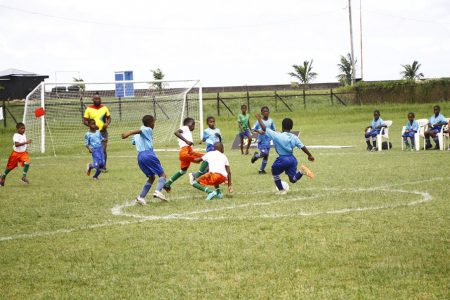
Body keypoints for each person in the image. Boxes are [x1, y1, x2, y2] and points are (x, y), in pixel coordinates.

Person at [255, 114, 315, 195]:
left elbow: (264, 128)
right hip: (292, 159)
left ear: (282, 126)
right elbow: (302, 146)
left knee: (274, 171)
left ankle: (281, 190)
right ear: (291, 127)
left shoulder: (277, 135)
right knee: (292, 180)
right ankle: (301, 171)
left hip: (283, 159)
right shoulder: (294, 137)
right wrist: (309, 155)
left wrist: (259, 119)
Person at [121, 115, 167, 205]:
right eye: (153, 123)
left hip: (140, 157)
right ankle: (158, 191)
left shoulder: (137, 136)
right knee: (162, 175)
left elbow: (134, 142)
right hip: (148, 154)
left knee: (151, 177)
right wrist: (129, 132)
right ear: (150, 123)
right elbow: (140, 131)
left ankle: (141, 197)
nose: (154, 125)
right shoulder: (147, 129)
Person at [163, 117, 207, 192]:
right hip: (185, 152)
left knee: (183, 171)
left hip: (186, 152)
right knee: (206, 157)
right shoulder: (185, 127)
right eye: (193, 124)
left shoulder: (187, 131)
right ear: (189, 124)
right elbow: (176, 132)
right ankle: (195, 176)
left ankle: (167, 184)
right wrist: (187, 141)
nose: (194, 127)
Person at [83, 92, 111, 171]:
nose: (98, 100)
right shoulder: (88, 109)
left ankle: (103, 167)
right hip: (94, 134)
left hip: (103, 132)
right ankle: (96, 165)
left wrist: (107, 123)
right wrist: (92, 127)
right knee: (96, 150)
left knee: (103, 150)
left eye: (99, 98)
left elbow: (109, 118)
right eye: (96, 99)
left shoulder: (104, 108)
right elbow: (84, 120)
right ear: (93, 100)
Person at [251, 106, 275, 174]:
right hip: (261, 141)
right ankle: (256, 156)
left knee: (266, 156)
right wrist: (259, 131)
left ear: (269, 112)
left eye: (267, 111)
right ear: (261, 113)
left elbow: (273, 130)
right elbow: (253, 129)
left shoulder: (271, 121)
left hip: (268, 141)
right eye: (264, 111)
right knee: (265, 153)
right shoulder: (259, 121)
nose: (265, 112)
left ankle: (261, 170)